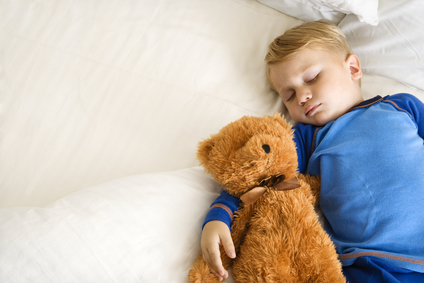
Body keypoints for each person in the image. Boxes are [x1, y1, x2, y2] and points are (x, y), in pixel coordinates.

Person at [200, 20, 424, 282]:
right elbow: (257, 173)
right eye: (289, 95)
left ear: (352, 68)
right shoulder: (308, 138)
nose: (303, 96)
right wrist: (219, 216)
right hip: (371, 264)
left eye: (312, 78)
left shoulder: (401, 106)